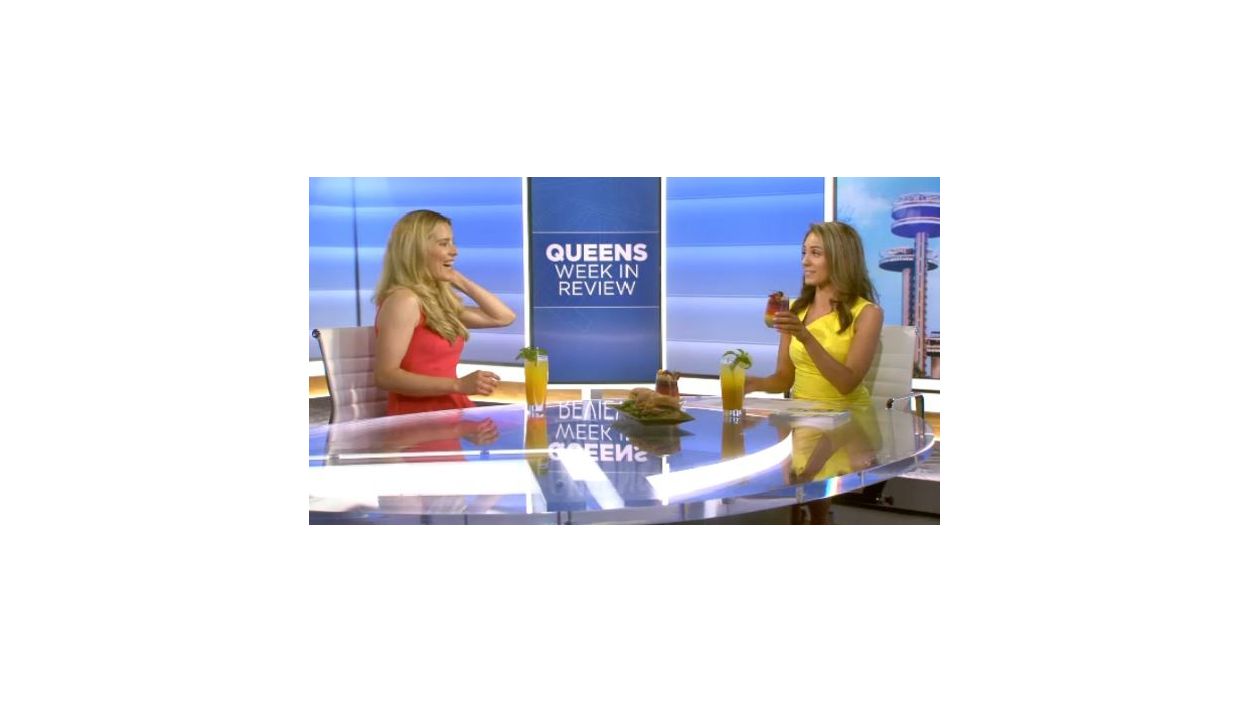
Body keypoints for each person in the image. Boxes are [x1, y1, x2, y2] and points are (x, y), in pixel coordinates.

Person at [744, 221, 885, 523]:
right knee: (776, 472)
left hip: (846, 421)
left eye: (815, 253)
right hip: (802, 416)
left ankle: (815, 515)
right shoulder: (794, 308)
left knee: (802, 481)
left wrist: (805, 336)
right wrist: (754, 383)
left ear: (840, 258)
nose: (805, 261)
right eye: (804, 252)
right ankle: (811, 515)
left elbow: (847, 383)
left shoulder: (868, 313)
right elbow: (785, 378)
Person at [373, 209, 516, 415]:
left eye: (452, 242)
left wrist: (458, 279)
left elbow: (503, 317)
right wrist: (458, 385)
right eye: (443, 244)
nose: (454, 251)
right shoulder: (404, 301)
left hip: (452, 410)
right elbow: (386, 376)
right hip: (419, 418)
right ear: (417, 251)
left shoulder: (436, 301)